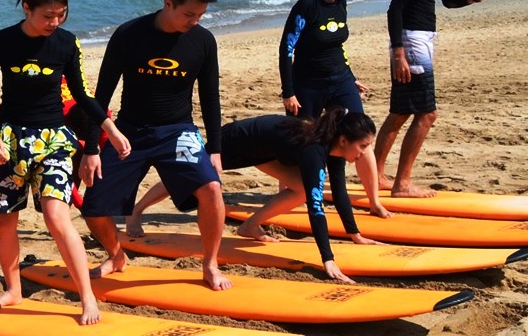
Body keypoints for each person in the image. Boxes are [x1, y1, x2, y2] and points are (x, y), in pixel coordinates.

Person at [0, 0, 129, 324]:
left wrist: (110, 128)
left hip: (54, 139)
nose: (54, 22)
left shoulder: (66, 43)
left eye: (61, 15)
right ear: (26, 8)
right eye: (47, 16)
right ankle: (13, 289)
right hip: (9, 139)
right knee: (4, 218)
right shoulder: (0, 41)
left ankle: (87, 298)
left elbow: (82, 94)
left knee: (58, 216)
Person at [78, 0, 231, 291]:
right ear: (168, 3)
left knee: (212, 189)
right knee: (92, 208)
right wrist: (91, 149)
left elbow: (210, 97)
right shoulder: (129, 35)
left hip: (179, 131)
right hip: (130, 131)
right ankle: (117, 255)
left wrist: (214, 149)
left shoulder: (203, 41)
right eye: (189, 13)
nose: (195, 21)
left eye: (202, 14)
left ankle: (210, 263)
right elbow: (100, 95)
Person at [127, 110, 383, 284]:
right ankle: (136, 212)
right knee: (186, 178)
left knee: (302, 189)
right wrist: (328, 260)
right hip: (236, 141)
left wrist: (354, 234)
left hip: (264, 151)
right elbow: (316, 209)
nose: (364, 153)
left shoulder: (333, 148)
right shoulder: (315, 152)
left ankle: (250, 226)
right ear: (343, 139)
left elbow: (339, 192)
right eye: (363, 146)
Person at [374, 0, 493, 198]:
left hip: (422, 39)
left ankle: (377, 174)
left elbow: (449, 0)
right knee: (427, 115)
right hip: (411, 42)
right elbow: (395, 9)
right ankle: (402, 184)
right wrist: (398, 53)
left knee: (400, 113)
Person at [277, 0, 390, 218]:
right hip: (308, 85)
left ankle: (374, 202)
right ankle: (286, 200)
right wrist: (288, 92)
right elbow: (286, 49)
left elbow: (337, 47)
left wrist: (350, 77)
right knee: (299, 143)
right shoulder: (307, 6)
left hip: (340, 81)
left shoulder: (341, 4)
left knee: (362, 137)